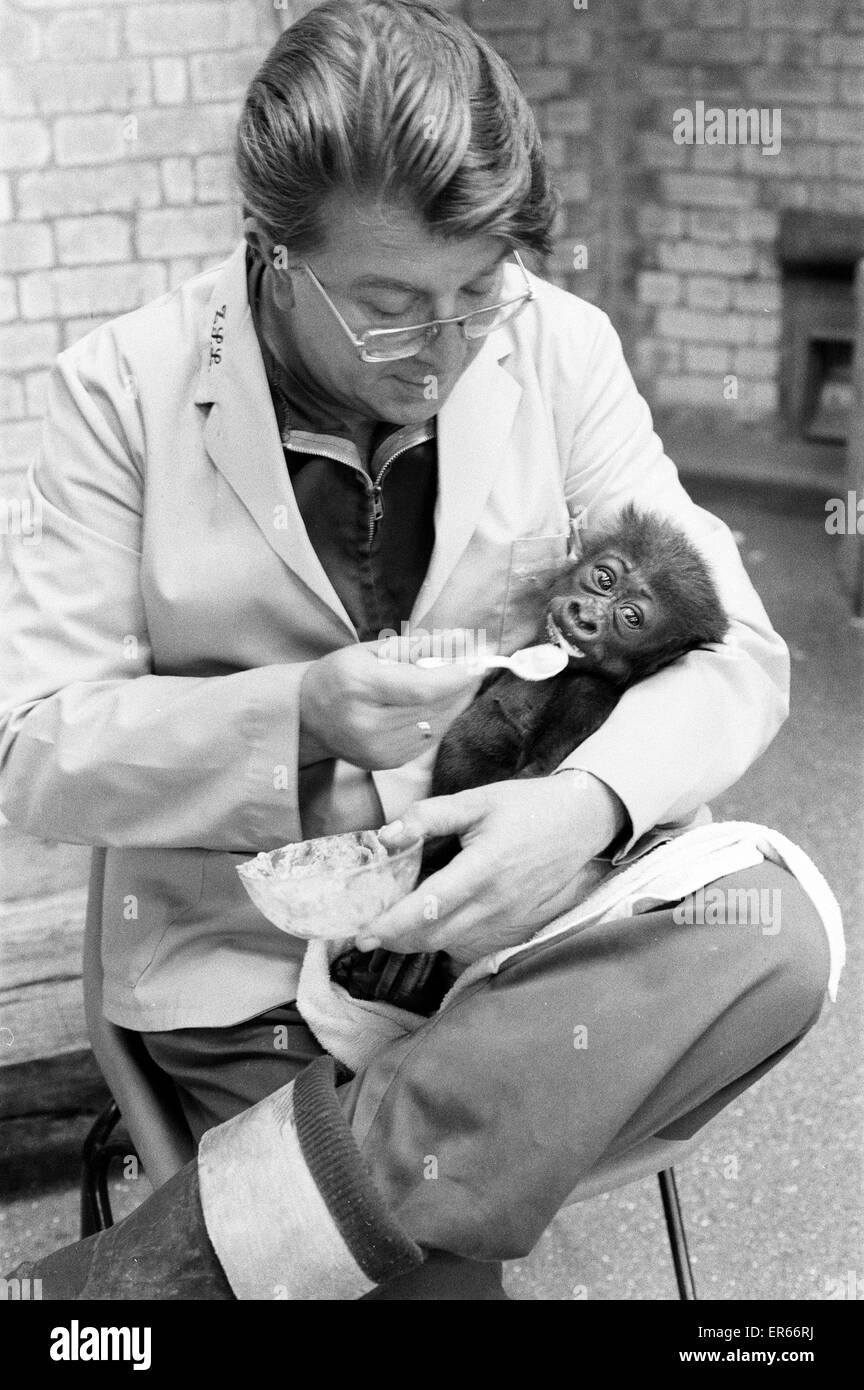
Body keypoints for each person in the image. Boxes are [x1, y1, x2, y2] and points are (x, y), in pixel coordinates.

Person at [0, 0, 831, 1300]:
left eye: (478, 289)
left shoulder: (556, 348)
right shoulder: (123, 393)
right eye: (390, 308)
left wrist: (586, 804)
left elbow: (738, 644)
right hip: (258, 960)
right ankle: (360, 1182)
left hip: (523, 927)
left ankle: (178, 1259)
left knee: (779, 930)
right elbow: (35, 744)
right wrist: (299, 715)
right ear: (272, 250)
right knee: (425, 1268)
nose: (445, 351)